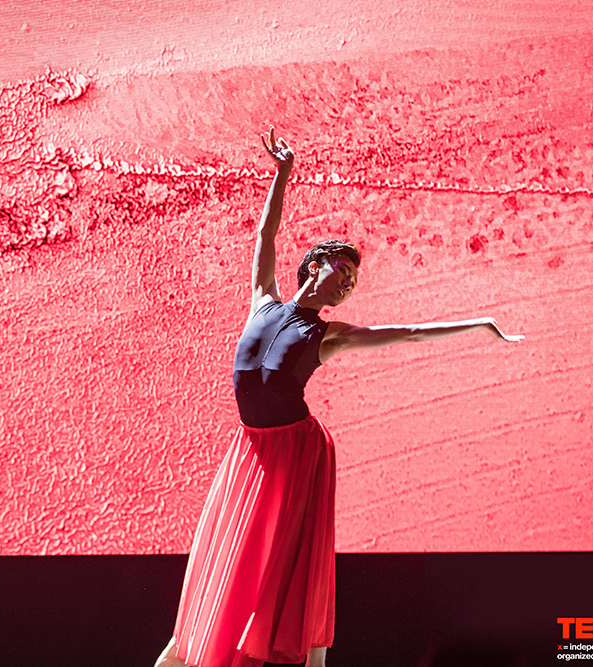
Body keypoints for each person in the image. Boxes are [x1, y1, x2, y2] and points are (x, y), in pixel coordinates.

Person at [156, 128, 523, 667]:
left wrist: (481, 325)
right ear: (315, 266)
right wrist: (282, 173)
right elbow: (265, 237)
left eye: (351, 285)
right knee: (226, 571)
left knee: (281, 568)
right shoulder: (264, 301)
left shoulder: (329, 334)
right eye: (343, 273)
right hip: (250, 452)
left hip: (293, 454)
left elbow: (411, 333)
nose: (347, 286)